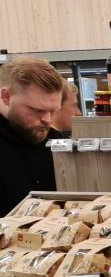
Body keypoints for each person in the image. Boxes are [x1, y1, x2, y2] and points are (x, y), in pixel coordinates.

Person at [0, 57, 63, 215]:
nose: (48, 120)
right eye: (37, 110)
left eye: (53, 111)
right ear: (6, 97)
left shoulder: (58, 143)